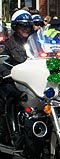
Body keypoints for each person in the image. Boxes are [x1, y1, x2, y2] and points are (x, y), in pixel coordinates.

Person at [0, 9, 33, 149]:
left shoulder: (35, 42)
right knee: (14, 97)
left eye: (28, 26)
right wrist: (6, 72)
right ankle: (15, 134)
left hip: (32, 81)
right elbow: (1, 60)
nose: (26, 29)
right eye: (22, 26)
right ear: (15, 27)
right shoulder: (8, 44)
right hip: (13, 81)